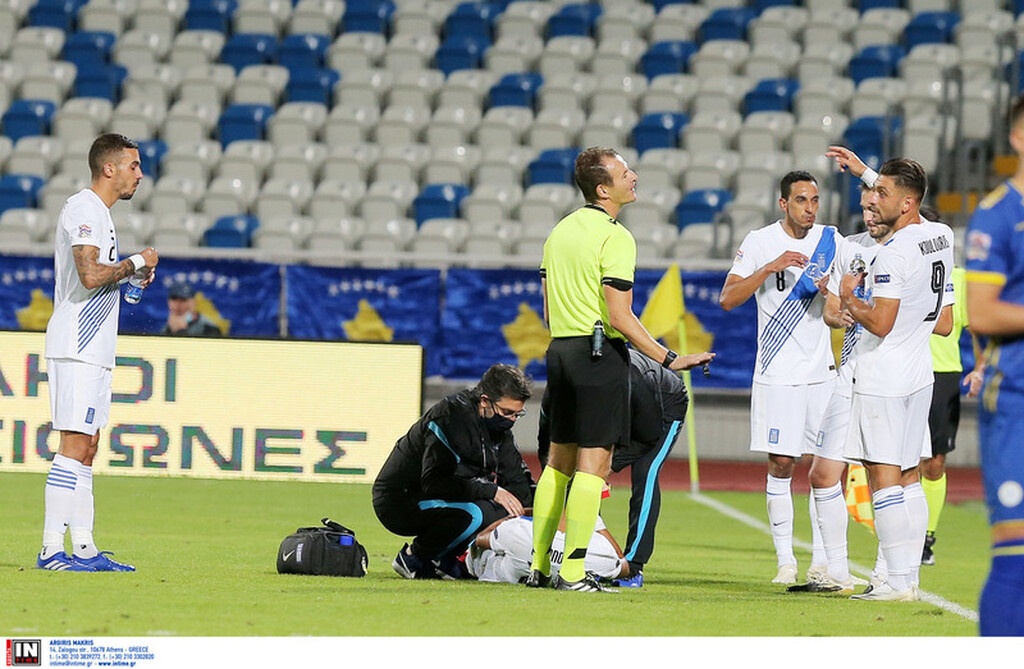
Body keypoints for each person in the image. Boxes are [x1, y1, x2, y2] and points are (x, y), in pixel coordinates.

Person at [530, 146, 714, 593]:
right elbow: (620, 316)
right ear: (602, 188)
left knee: (558, 464)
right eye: (624, 172)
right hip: (598, 357)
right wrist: (670, 358)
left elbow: (549, 310)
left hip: (560, 351)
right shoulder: (616, 237)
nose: (633, 176)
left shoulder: (559, 231)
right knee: (594, 466)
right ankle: (573, 573)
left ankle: (537, 568)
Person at [38, 133, 159, 572]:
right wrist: (137, 263)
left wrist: (126, 278)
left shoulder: (101, 215)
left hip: (95, 348)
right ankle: (52, 549)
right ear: (109, 168)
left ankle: (84, 548)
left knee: (88, 445)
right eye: (133, 165)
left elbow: (98, 278)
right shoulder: (83, 208)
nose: (140, 174)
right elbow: (89, 275)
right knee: (73, 444)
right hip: (77, 345)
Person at [838, 157, 954, 601]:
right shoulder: (940, 235)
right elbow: (943, 322)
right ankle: (909, 578)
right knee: (909, 477)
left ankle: (898, 583)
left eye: (880, 194)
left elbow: (880, 322)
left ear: (906, 203)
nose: (871, 199)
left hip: (882, 376)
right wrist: (869, 173)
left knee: (883, 477)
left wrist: (851, 297)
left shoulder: (893, 252)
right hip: (920, 374)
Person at [719, 170, 840, 586]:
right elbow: (728, 299)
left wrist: (832, 294)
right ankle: (785, 559)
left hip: (822, 374)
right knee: (782, 462)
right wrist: (770, 267)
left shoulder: (831, 241)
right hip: (777, 372)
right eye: (802, 200)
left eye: (815, 200)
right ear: (783, 204)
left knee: (825, 469)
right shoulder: (760, 241)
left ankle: (823, 561)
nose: (810, 208)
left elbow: (845, 303)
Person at [536, 348, 688, 588]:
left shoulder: (635, 383)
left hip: (664, 408)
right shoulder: (560, 388)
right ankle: (569, 555)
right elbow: (548, 446)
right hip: (612, 406)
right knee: (579, 474)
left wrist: (608, 467)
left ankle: (633, 564)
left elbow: (648, 436)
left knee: (645, 472)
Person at [372, 363, 535, 580]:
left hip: (445, 495)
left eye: (518, 414)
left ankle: (446, 559)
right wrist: (491, 491)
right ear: (485, 401)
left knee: (510, 508)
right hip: (401, 499)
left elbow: (517, 483)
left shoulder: (498, 429)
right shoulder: (450, 419)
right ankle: (414, 558)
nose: (512, 420)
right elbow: (434, 482)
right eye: (507, 412)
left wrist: (546, 503)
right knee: (475, 514)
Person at [963, 94, 1024, 635]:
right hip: (1019, 402)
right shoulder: (999, 214)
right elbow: (981, 310)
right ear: (1018, 136)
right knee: (1017, 553)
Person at [919, 206, 983, 567]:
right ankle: (901, 534)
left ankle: (927, 536)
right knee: (897, 461)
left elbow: (980, 328)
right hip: (900, 372)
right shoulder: (901, 270)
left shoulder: (960, 280)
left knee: (935, 463)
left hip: (943, 378)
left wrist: (982, 367)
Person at [465, 514, 629, 584]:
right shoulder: (604, 554)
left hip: (521, 553)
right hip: (582, 560)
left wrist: (510, 518)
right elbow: (623, 565)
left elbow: (478, 541)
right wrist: (594, 520)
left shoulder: (516, 531)